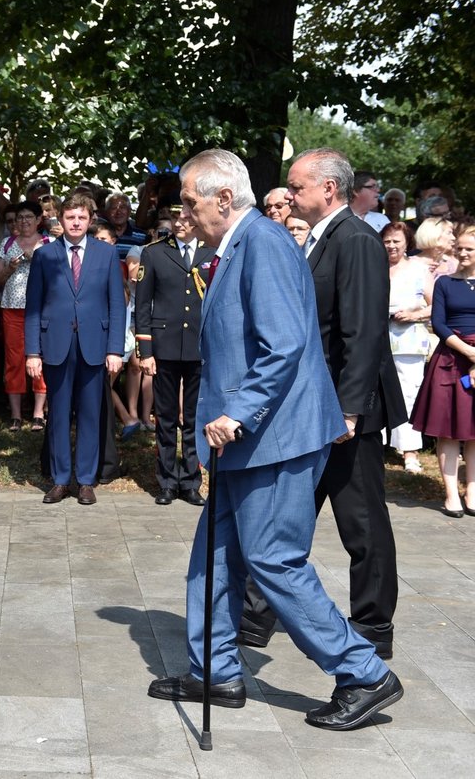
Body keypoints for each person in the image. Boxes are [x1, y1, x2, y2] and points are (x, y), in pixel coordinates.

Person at [147, 148, 402, 732]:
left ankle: (363, 671)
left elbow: (284, 343)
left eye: (190, 201)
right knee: (213, 554)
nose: (184, 213)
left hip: (275, 435)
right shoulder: (236, 245)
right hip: (248, 439)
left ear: (223, 198)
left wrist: (237, 412)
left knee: (272, 559)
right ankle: (215, 668)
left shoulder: (260, 242)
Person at [243, 147, 407, 658]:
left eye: (297, 186)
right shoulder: (320, 238)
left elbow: (361, 333)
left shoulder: (355, 239)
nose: (290, 195)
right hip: (315, 407)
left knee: (361, 522)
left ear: (328, 189)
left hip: (344, 412)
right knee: (289, 514)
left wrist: (350, 410)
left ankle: (373, 627)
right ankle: (255, 616)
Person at [24, 193, 126, 505]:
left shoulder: (106, 254)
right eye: (70, 217)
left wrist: (115, 350)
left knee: (90, 414)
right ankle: (59, 479)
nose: (76, 223)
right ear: (61, 220)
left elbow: (116, 304)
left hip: (94, 345)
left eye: (82, 217)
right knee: (57, 415)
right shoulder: (45, 255)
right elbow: (33, 306)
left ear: (91, 219)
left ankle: (85, 480)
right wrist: (32, 352)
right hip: (55, 344)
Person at [135, 212, 213, 506]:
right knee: (166, 417)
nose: (180, 224)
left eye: (188, 219)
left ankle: (191, 481)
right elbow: (142, 305)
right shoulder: (154, 253)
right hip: (165, 346)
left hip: (200, 347)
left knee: (194, 418)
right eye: (177, 219)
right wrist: (146, 351)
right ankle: (167, 481)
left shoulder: (212, 250)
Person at [410, 224, 475, 516]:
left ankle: (473, 493)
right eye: (459, 247)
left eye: (469, 249)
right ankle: (451, 496)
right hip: (450, 358)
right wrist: (470, 352)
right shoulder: (445, 283)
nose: (462, 253)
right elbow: (439, 323)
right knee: (448, 432)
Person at [0, 201, 50, 431]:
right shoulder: (7, 244)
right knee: (13, 359)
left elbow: (58, 277)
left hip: (42, 310)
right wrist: (10, 267)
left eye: (29, 217)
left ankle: (38, 413)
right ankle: (16, 415)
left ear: (38, 220)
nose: (24, 221)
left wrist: (36, 260)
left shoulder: (49, 244)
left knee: (42, 358)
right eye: (20, 217)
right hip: (12, 309)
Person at [383, 222, 432, 474]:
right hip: (378, 339)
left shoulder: (419, 269)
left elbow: (436, 306)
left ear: (407, 243)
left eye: (396, 241)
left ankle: (410, 451)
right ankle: (379, 446)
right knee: (375, 392)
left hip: (409, 340)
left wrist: (414, 315)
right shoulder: (375, 266)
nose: (391, 246)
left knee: (408, 395)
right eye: (387, 241)